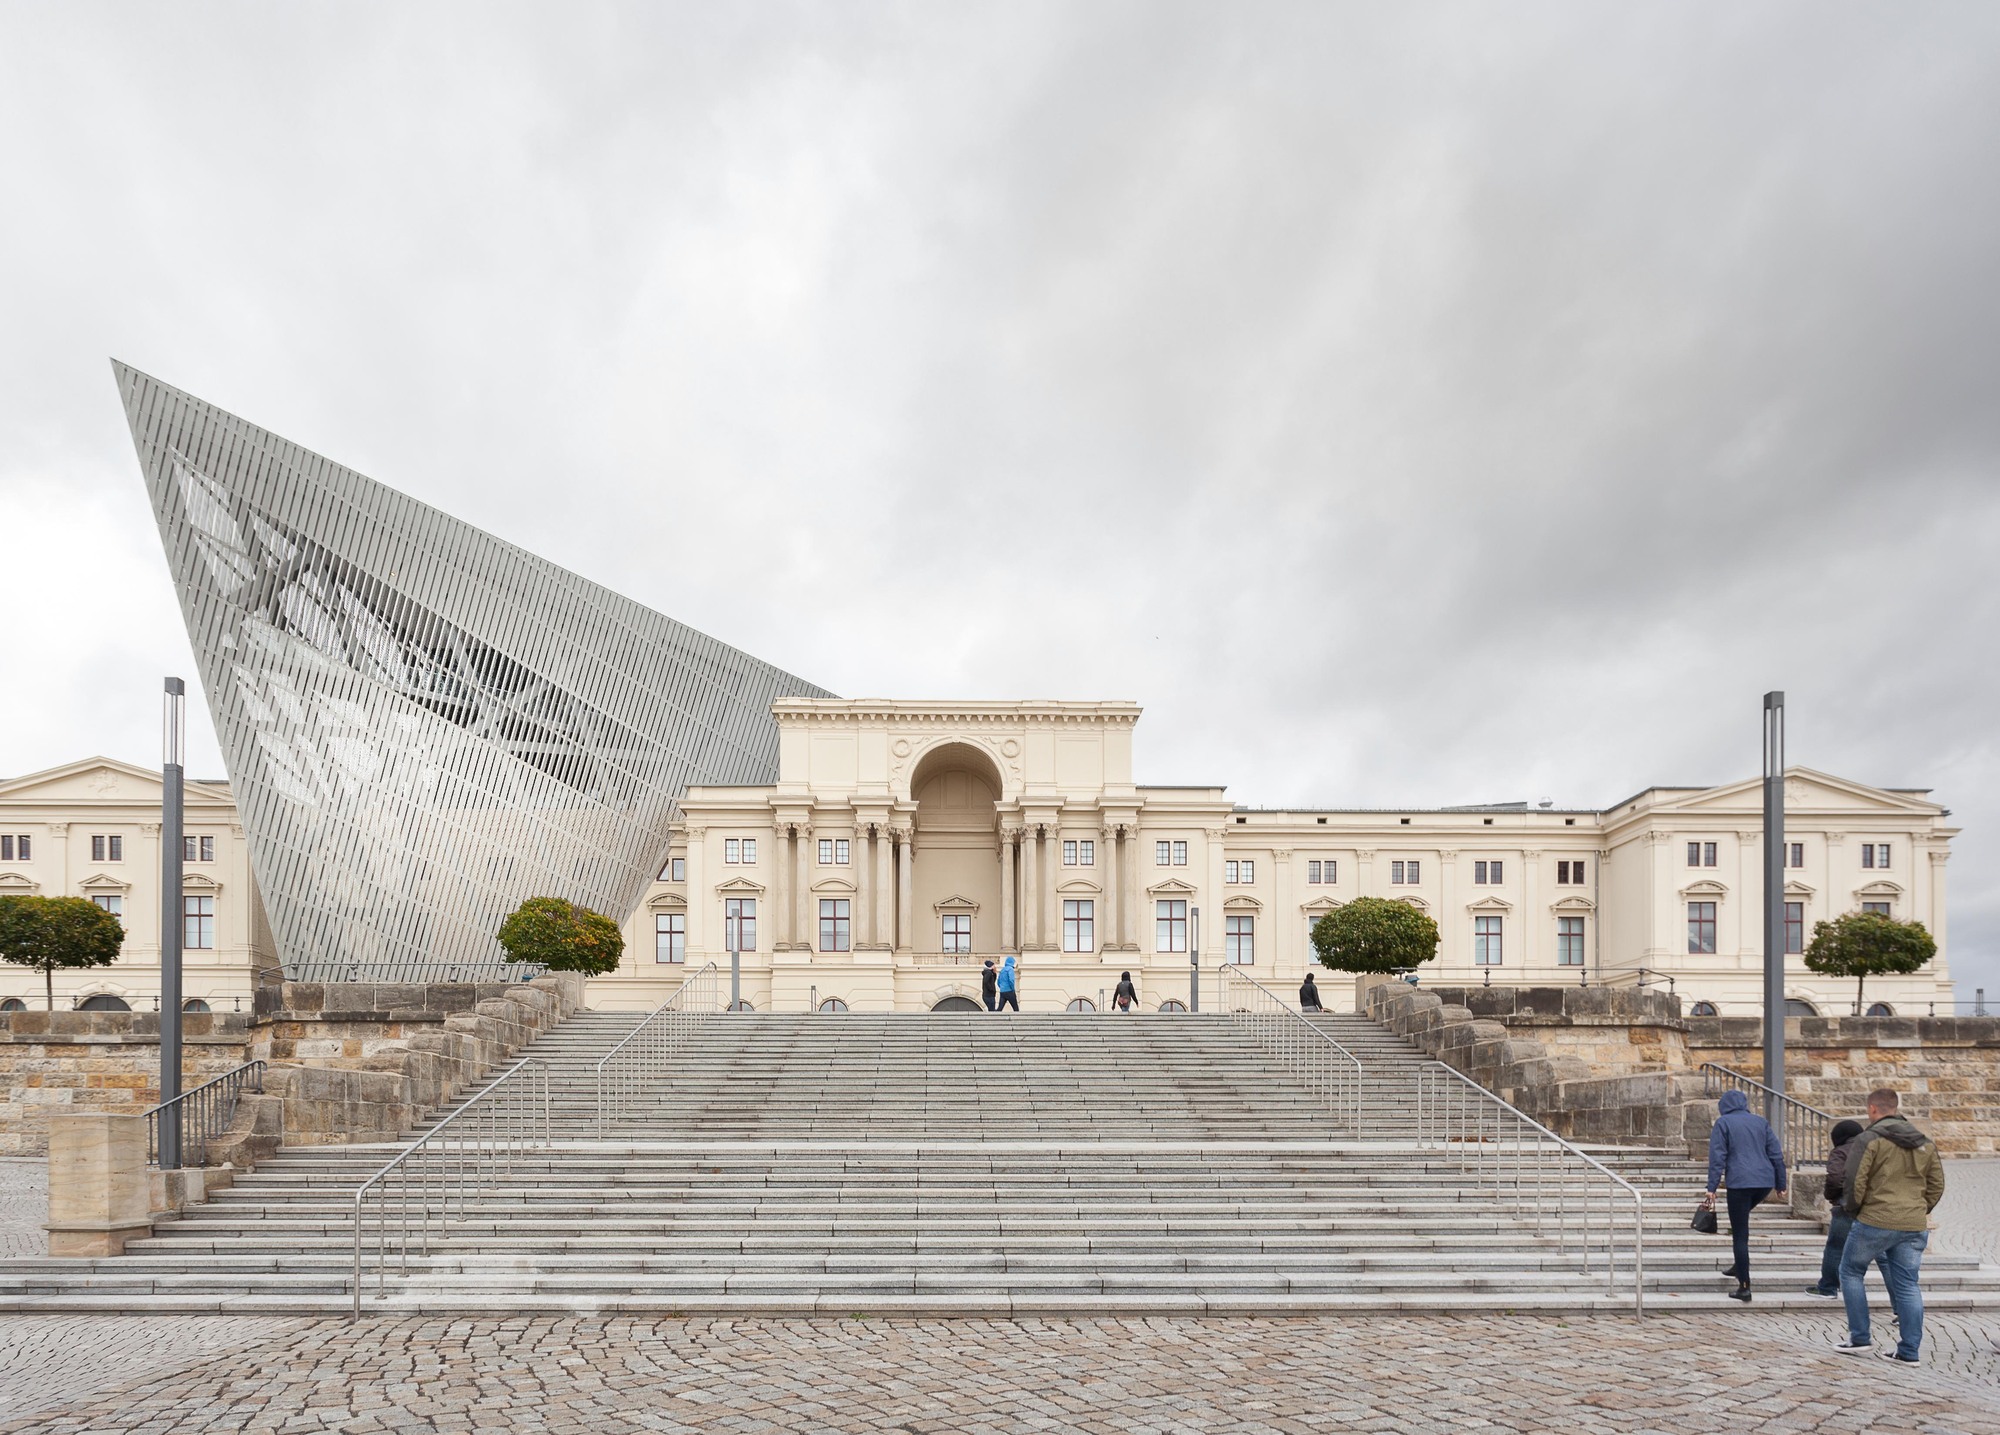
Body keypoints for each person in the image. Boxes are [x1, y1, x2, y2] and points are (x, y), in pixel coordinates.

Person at [1833, 1088, 1946, 1363]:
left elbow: (1855, 1180)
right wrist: (1919, 1209)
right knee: (1908, 1284)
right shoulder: (1925, 1142)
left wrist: (1854, 1210)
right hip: (1913, 1223)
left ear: (1872, 1109)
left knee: (1850, 1271)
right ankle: (1908, 1351)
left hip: (1875, 1219)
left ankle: (1859, 1337)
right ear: (1896, 1108)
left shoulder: (1869, 1139)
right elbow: (1937, 1184)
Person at [1703, 1088, 1787, 1302]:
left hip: (1740, 1183)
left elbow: (1717, 1156)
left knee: (1740, 1233)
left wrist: (1711, 1187)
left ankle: (1744, 1286)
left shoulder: (1723, 1123)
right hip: (1764, 1183)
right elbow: (1776, 1154)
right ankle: (1739, 1264)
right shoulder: (1760, 1122)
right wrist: (1781, 1183)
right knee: (1740, 1223)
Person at [1806, 1119, 1866, 1298]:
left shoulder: (1841, 1152)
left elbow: (1834, 1178)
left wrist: (1831, 1195)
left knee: (1835, 1247)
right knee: (1883, 1256)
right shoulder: (1872, 1149)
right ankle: (1898, 1304)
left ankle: (1828, 1287)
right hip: (1872, 1207)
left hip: (1846, 1205)